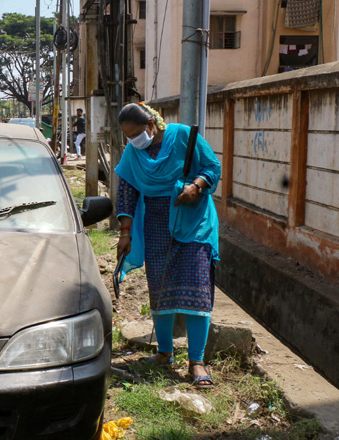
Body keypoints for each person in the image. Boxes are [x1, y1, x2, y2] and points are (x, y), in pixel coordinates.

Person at [114, 102, 221, 389]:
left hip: (194, 223)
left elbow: (212, 166)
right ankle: (164, 352)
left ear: (152, 124)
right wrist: (125, 233)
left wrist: (196, 186)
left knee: (197, 293)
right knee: (160, 289)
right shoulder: (133, 154)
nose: (134, 140)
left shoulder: (184, 137)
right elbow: (127, 192)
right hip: (157, 227)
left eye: (137, 133)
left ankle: (196, 361)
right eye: (128, 136)